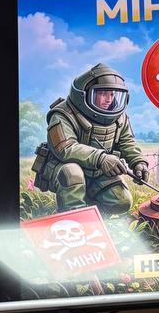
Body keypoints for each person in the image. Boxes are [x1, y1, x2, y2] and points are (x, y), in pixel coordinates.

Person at [32, 62, 149, 213]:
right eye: (102, 93)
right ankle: (73, 216)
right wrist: (101, 158)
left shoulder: (119, 117)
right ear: (84, 94)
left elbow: (126, 141)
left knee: (121, 202)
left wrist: (138, 162)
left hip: (97, 173)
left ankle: (95, 215)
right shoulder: (62, 114)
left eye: (112, 94)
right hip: (64, 170)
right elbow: (65, 148)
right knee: (72, 173)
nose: (109, 99)